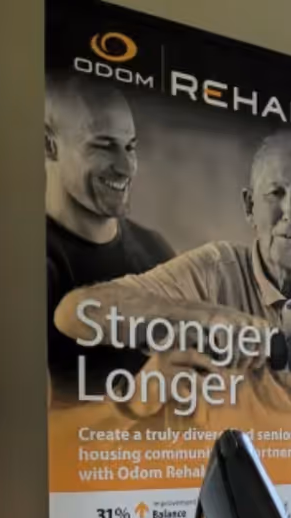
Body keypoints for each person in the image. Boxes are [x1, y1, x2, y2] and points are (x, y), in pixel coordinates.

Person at [53, 130, 291, 418]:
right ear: (249, 206)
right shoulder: (215, 270)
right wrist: (205, 320)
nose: (290, 212)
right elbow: (76, 312)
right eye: (277, 193)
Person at [45, 72, 174, 404]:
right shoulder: (34, 264)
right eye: (104, 146)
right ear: (49, 145)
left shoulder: (155, 251)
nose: (126, 167)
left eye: (130, 147)